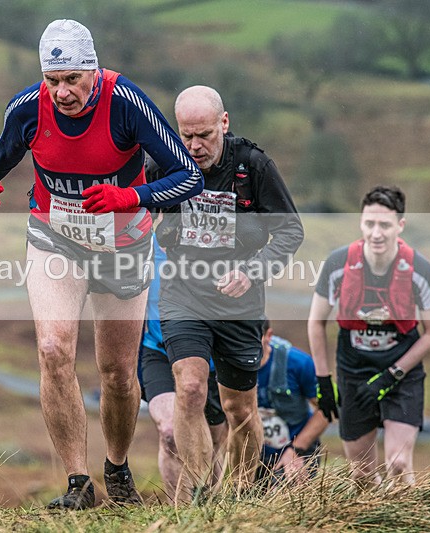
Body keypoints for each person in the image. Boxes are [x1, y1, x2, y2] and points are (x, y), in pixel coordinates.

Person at [0, 19, 203, 510]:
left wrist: (129, 196)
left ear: (93, 72)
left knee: (117, 372)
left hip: (124, 246)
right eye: (53, 80)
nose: (62, 92)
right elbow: (1, 155)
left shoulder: (126, 104)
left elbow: (189, 178)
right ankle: (78, 483)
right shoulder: (28, 108)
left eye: (73, 79)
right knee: (53, 349)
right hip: (56, 240)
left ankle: (116, 467)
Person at [157, 85, 304, 500]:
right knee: (189, 387)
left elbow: (291, 230)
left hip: (240, 302)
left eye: (203, 134)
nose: (194, 145)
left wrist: (252, 271)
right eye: (186, 135)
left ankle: (239, 496)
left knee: (240, 409)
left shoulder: (254, 165)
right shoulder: (164, 162)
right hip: (183, 293)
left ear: (224, 122)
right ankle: (201, 494)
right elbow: (135, 208)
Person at [308, 185, 430, 486]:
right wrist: (323, 381)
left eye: (385, 224)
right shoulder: (337, 264)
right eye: (369, 223)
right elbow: (316, 323)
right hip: (353, 373)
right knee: (361, 475)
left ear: (400, 225)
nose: (376, 233)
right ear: (360, 223)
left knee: (398, 464)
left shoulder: (419, 270)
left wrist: (391, 375)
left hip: (400, 374)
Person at [139, 237, 227, 501]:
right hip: (158, 352)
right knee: (169, 433)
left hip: (208, 360)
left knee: (211, 442)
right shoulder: (143, 247)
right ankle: (178, 512)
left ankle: (210, 510)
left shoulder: (213, 243)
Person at [255, 319, 330, 488]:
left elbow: (326, 410)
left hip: (296, 448)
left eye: (253, 339)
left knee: (280, 502)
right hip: (251, 454)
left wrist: (295, 450)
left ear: (268, 336)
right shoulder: (220, 363)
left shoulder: (299, 363)